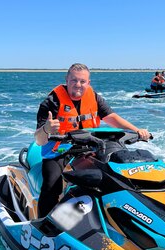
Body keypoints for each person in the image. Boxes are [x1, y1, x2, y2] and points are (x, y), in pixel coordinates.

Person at [35, 63, 151, 218]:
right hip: (59, 150)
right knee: (51, 185)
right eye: (74, 80)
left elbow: (112, 118)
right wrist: (46, 129)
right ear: (67, 80)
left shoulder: (94, 97)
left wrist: (137, 130)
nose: (78, 85)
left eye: (82, 81)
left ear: (88, 83)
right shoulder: (51, 102)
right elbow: (39, 140)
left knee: (115, 172)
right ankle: (43, 226)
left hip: (88, 146)